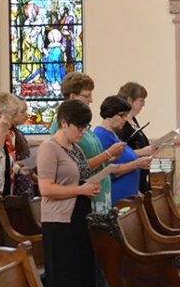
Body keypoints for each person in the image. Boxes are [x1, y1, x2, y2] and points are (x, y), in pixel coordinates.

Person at [37, 99, 101, 287]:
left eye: (86, 126)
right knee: (66, 273)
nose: (84, 131)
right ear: (64, 123)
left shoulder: (75, 147)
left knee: (82, 268)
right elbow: (45, 188)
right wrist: (80, 189)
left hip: (79, 215)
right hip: (59, 221)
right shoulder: (49, 148)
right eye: (80, 126)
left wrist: (90, 185)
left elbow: (80, 173)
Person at [50, 73, 125, 213]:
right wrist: (108, 154)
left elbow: (92, 156)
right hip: (84, 196)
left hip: (100, 191)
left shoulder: (83, 126)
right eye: (87, 96)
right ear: (72, 97)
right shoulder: (62, 127)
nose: (91, 100)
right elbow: (75, 166)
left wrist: (110, 158)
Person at [94, 96, 152, 205]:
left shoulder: (115, 135)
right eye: (122, 115)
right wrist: (137, 164)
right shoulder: (101, 135)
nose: (125, 119)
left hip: (129, 197)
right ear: (111, 115)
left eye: (126, 115)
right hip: (117, 198)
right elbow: (110, 171)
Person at [116, 82, 155, 194]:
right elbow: (121, 153)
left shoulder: (133, 120)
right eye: (141, 100)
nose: (143, 104)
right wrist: (143, 151)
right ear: (129, 100)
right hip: (130, 174)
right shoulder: (121, 124)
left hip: (141, 174)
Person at [10, 98, 37, 197]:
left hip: (26, 181)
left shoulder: (19, 133)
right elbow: (7, 163)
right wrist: (26, 163)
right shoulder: (9, 135)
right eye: (22, 111)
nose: (26, 115)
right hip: (16, 184)